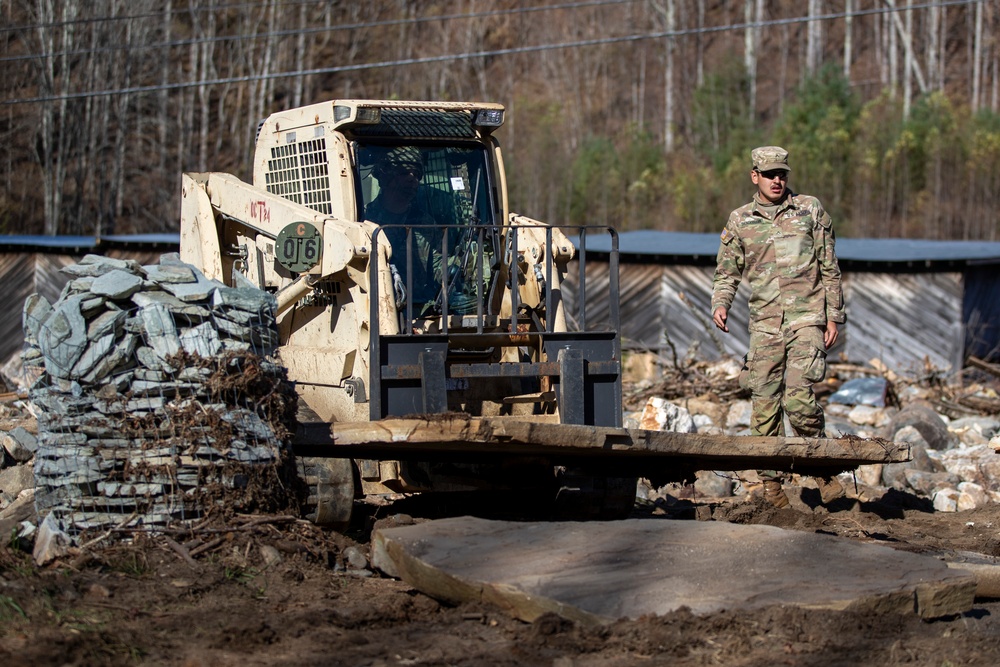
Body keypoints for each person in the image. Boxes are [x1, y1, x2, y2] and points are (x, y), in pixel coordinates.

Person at [711, 146, 846, 508]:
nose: (777, 180)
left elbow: (829, 265)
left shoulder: (810, 209)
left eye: (782, 174)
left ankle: (823, 471)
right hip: (766, 323)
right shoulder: (740, 220)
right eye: (769, 174)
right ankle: (772, 487)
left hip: (807, 318)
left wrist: (834, 315)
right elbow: (727, 272)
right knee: (764, 405)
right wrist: (721, 303)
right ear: (754, 175)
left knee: (799, 398)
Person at [365, 146, 451, 312]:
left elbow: (437, 265)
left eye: (416, 174)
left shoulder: (425, 223)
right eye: (404, 173)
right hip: (379, 310)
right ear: (385, 177)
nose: (413, 179)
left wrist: (459, 268)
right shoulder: (366, 222)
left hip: (421, 310)